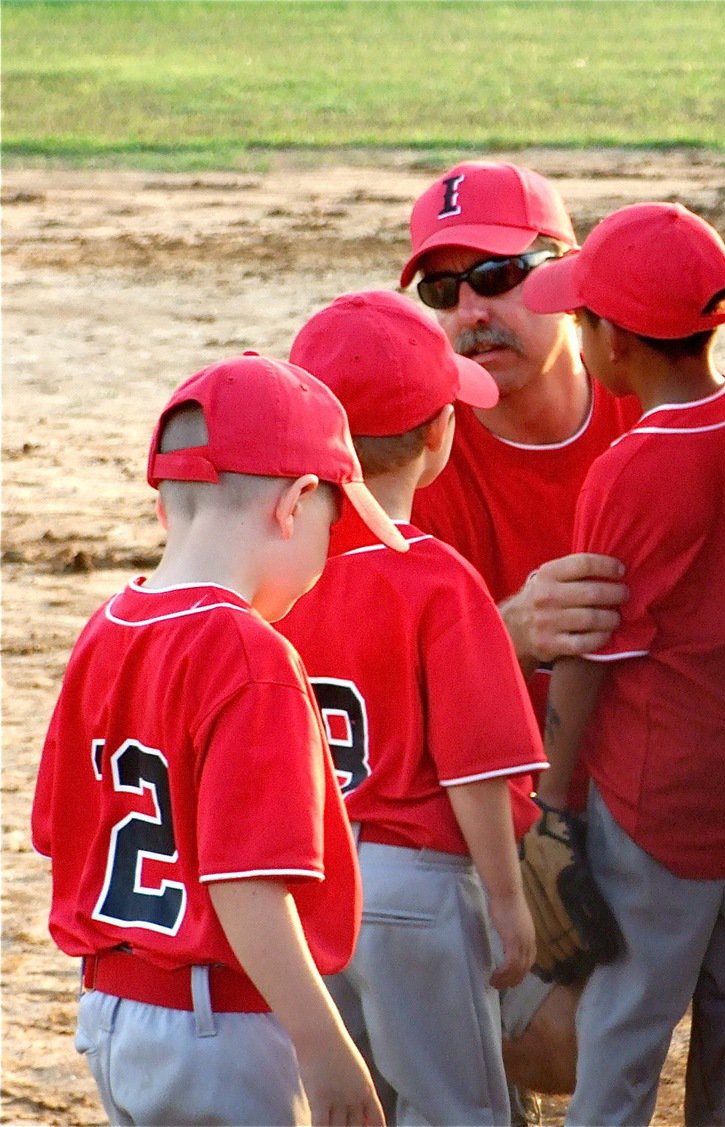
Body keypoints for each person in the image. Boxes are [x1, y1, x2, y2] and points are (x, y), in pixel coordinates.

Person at [31, 351, 401, 1127]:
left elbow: (58, 831)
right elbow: (247, 885)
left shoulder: (107, 627)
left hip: (112, 1015)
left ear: (167, 503)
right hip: (219, 1027)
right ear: (297, 503)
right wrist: (323, 1039)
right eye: (332, 528)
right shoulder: (249, 652)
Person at [524, 201, 725, 1126]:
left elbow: (586, 649)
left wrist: (555, 807)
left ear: (615, 343)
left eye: (582, 318)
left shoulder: (633, 466)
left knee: (625, 1034)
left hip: (655, 805)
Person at [399, 159, 640, 1107]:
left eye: (498, 276)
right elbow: (363, 698)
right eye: (441, 289)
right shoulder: (416, 447)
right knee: (569, 1052)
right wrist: (499, 633)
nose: (471, 312)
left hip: (669, 778)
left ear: (571, 277)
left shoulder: (654, 396)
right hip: (507, 814)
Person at [279, 290, 548, 1125]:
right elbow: (475, 767)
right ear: (439, 437)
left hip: (308, 877)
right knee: (455, 1106)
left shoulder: (277, 577)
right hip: (415, 885)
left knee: (354, 1104)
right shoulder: (437, 578)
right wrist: (507, 899)